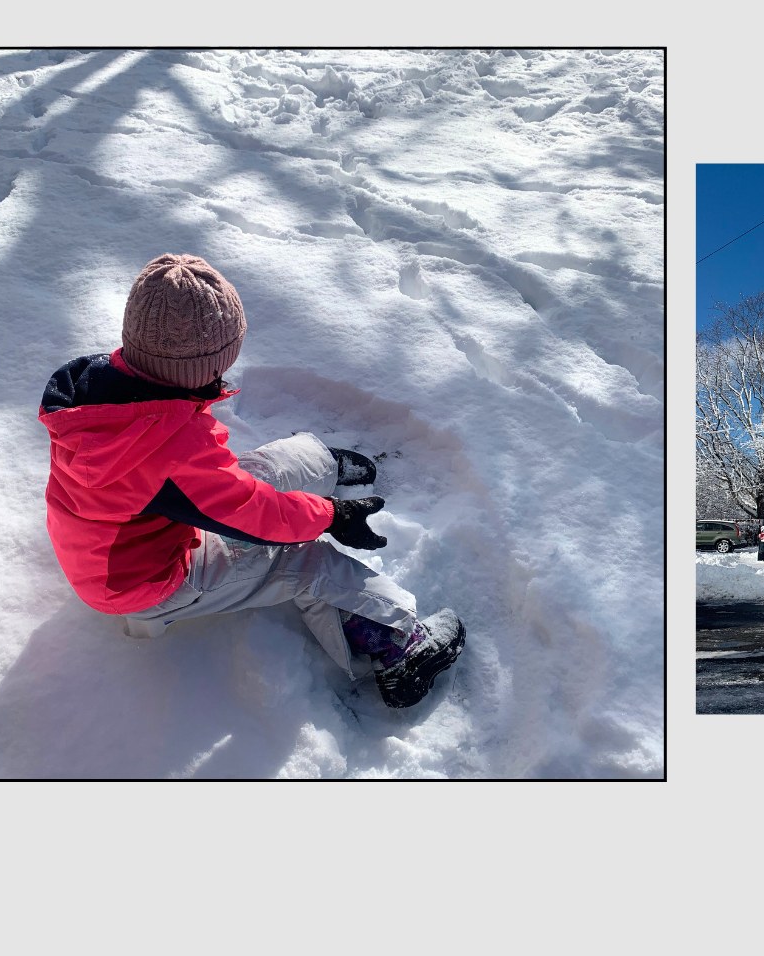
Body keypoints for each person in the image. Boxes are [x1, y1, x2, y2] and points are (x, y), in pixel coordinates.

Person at [38, 252, 465, 708]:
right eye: (221, 363)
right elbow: (250, 517)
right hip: (148, 582)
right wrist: (330, 516)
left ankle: (321, 463)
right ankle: (397, 643)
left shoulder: (103, 395)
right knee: (301, 560)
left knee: (254, 474)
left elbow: (211, 483)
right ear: (200, 367)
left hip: (127, 542)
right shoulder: (166, 449)